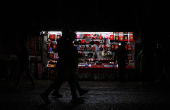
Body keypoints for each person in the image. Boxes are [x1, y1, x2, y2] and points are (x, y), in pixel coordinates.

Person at [40, 26, 84, 105]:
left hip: (67, 64)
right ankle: (45, 94)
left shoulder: (64, 41)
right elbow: (65, 53)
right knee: (60, 81)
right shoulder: (62, 41)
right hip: (65, 65)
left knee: (72, 80)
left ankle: (74, 97)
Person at [51, 31, 89, 98]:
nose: (75, 37)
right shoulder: (66, 43)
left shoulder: (65, 42)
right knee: (61, 80)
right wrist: (76, 53)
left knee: (71, 79)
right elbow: (69, 53)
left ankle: (76, 94)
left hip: (66, 64)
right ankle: (47, 93)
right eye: (74, 36)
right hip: (65, 65)